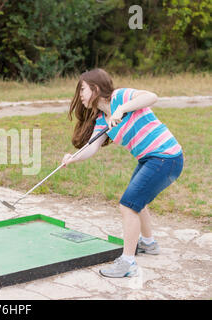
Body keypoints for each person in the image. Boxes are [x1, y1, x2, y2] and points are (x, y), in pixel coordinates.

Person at [62, 68, 184, 278]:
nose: (80, 95)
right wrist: (73, 158)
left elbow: (151, 96)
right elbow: (92, 147)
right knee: (137, 201)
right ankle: (148, 243)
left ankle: (128, 263)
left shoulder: (121, 96)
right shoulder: (102, 120)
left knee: (128, 205)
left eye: (82, 89)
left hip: (166, 158)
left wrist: (121, 110)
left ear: (95, 88)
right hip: (150, 159)